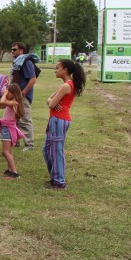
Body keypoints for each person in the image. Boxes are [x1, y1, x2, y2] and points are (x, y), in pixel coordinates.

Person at [44, 59, 86, 190]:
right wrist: (52, 101)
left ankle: (59, 182)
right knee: (47, 150)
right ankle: (54, 177)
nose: (55, 70)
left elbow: (51, 103)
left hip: (59, 120)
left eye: (57, 68)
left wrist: (52, 102)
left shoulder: (66, 85)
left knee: (56, 151)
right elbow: (49, 99)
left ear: (65, 70)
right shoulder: (65, 85)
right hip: (55, 119)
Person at [10, 42, 38, 150]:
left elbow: (33, 79)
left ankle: (29, 144)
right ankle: (16, 141)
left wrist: (23, 92)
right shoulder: (18, 62)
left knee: (24, 119)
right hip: (15, 95)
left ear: (21, 50)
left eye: (15, 49)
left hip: (23, 96)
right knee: (15, 119)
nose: (12, 51)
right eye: (12, 49)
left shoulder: (26, 62)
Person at [0, 84, 26, 179]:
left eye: (8, 91)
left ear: (12, 93)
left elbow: (2, 101)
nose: (6, 93)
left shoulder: (14, 103)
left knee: (5, 151)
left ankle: (14, 173)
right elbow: (0, 104)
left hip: (8, 128)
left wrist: (4, 94)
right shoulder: (12, 102)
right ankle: (10, 170)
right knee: (9, 151)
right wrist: (5, 95)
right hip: (9, 128)